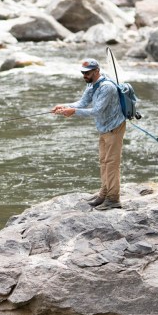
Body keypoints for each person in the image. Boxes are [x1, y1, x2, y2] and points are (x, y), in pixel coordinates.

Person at [52, 58, 126, 210]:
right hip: (104, 128)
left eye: (87, 73)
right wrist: (65, 106)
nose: (84, 76)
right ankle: (104, 193)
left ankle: (113, 199)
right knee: (104, 161)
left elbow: (97, 111)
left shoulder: (107, 87)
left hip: (114, 128)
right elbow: (82, 103)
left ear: (96, 71)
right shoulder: (93, 84)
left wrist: (73, 112)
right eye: (82, 73)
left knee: (112, 163)